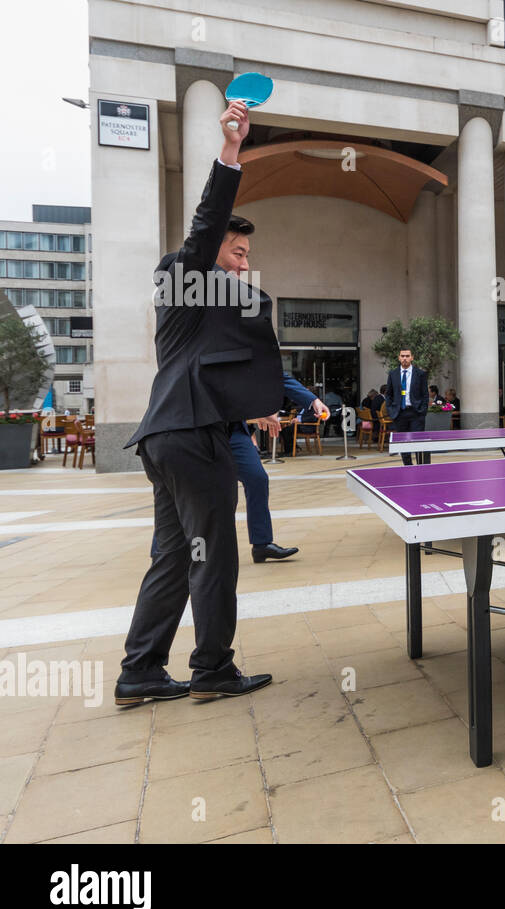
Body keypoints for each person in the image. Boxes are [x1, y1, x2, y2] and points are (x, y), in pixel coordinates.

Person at [116, 99, 278, 706]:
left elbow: (224, 365)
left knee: (175, 555)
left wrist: (253, 406)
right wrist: (231, 152)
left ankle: (141, 671)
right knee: (214, 558)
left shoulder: (206, 314)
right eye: (237, 254)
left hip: (167, 438)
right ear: (209, 258)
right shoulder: (183, 280)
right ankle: (212, 669)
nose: (244, 264)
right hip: (190, 437)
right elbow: (206, 224)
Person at [229, 372, 328, 564]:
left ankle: (261, 544)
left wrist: (313, 400)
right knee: (205, 493)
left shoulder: (253, 347)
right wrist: (257, 410)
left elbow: (275, 375)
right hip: (204, 429)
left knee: (257, 478)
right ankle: (171, 551)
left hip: (235, 431)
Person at [385, 349, 428, 466]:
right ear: (399, 358)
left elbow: (425, 394)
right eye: (402, 356)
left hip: (416, 413)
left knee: (418, 442)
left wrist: (423, 410)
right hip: (400, 413)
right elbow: (388, 394)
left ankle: (421, 467)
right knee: (403, 442)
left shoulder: (420, 374)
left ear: (412, 358)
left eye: (407, 356)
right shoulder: (393, 374)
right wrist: (390, 409)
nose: (405, 358)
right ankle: (408, 466)